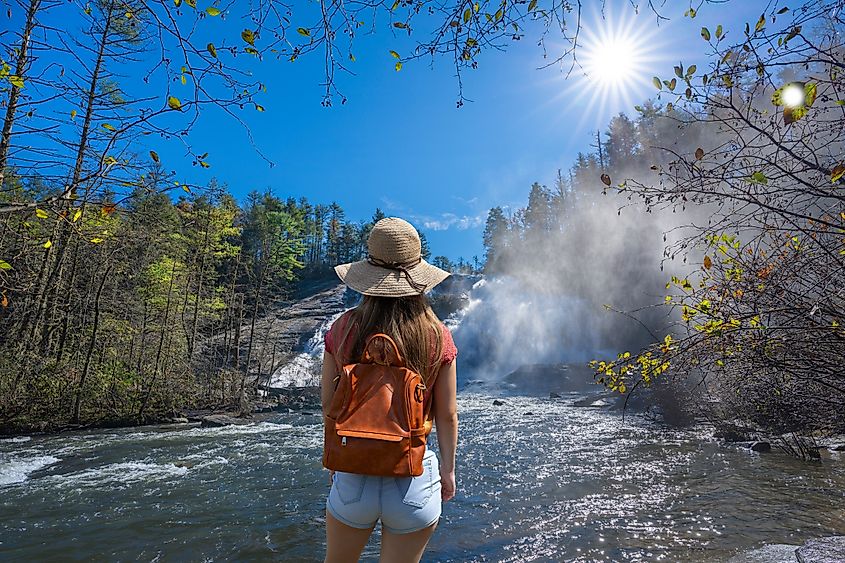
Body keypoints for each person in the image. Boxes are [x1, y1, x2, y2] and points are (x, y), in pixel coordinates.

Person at [321, 217, 459, 563]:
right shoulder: (436, 334)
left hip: (353, 474)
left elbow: (328, 405)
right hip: (413, 477)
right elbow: (447, 414)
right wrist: (448, 471)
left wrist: (334, 461)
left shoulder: (342, 328)